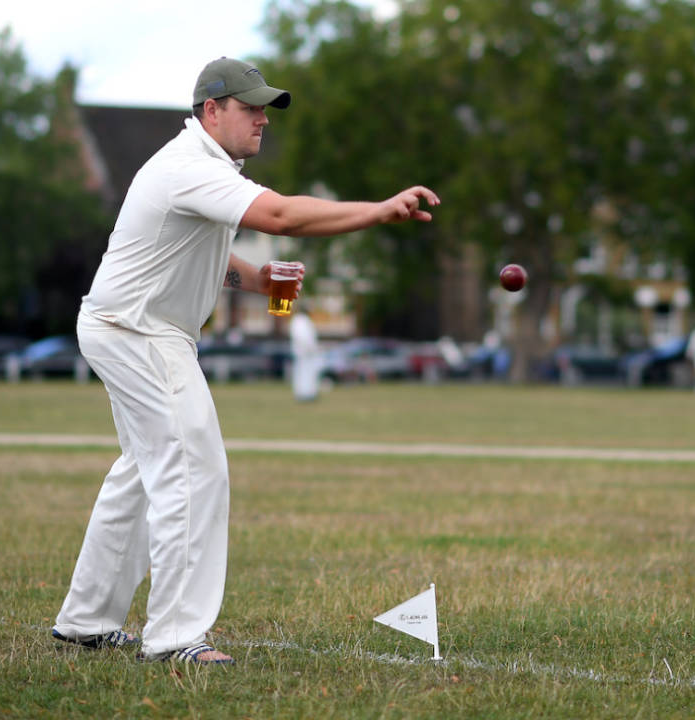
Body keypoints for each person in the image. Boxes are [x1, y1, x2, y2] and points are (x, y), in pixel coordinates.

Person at [50, 57, 440, 665]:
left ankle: (87, 620)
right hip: (140, 332)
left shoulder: (207, 169)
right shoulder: (189, 166)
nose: (262, 119)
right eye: (250, 107)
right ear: (212, 110)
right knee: (191, 466)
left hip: (127, 325)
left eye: (265, 109)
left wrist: (255, 278)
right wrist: (380, 210)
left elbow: (192, 248)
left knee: (143, 472)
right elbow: (281, 216)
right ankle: (176, 636)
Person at [288, 312, 321, 401]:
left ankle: (309, 392)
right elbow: (301, 337)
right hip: (303, 353)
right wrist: (308, 347)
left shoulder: (303, 320)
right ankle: (303, 393)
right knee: (302, 374)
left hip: (308, 353)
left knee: (309, 374)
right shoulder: (299, 321)